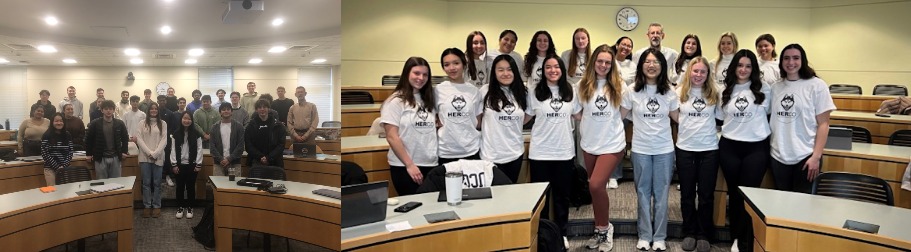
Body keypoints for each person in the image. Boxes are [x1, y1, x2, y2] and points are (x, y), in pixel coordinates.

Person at [622, 48, 679, 251]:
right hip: (640, 149)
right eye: (647, 61)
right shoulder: (631, 90)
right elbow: (619, 117)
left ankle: (660, 236)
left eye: (656, 61)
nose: (651, 65)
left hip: (664, 149)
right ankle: (645, 235)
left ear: (662, 66)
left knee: (662, 193)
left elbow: (678, 119)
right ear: (641, 65)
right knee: (643, 193)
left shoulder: (670, 92)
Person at [718, 49, 771, 252]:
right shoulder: (726, 89)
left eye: (748, 66)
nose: (743, 70)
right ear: (734, 67)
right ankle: (736, 239)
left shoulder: (764, 89)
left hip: (756, 148)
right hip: (730, 146)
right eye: (740, 65)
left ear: (754, 69)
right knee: (734, 194)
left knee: (750, 196)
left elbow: (768, 114)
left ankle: (747, 241)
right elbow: (721, 116)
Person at [576, 44, 628, 252]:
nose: (604, 65)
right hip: (589, 144)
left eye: (608, 62)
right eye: (600, 61)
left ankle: (606, 228)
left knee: (596, 186)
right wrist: (590, 122)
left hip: (612, 144)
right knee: (594, 188)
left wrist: (609, 125)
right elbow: (577, 112)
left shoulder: (619, 85)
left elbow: (624, 112)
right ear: (593, 62)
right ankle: (599, 229)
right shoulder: (582, 85)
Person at [526, 55, 580, 245]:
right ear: (543, 71)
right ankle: (541, 235)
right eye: (548, 67)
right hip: (540, 152)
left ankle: (561, 234)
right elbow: (524, 117)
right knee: (540, 198)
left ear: (562, 69)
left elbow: (580, 115)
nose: (552, 70)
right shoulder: (534, 91)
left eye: (556, 66)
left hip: (564, 151)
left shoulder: (571, 90)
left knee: (561, 197)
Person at [770, 44, 836, 194]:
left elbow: (824, 124)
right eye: (786, 58)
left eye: (795, 58)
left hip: (805, 157)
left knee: (801, 207)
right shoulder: (775, 87)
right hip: (778, 156)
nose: (790, 62)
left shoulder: (817, 85)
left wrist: (816, 157)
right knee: (781, 204)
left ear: (803, 60)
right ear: (781, 62)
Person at [674, 57, 721, 252]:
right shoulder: (679, 93)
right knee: (686, 194)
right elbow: (674, 115)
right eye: (695, 71)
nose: (699, 75)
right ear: (689, 72)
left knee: (705, 195)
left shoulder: (715, 93)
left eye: (703, 72)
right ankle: (689, 232)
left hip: (709, 149)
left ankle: (704, 233)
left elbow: (720, 119)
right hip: (685, 148)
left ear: (708, 74)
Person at [381, 57, 437, 196]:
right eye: (416, 73)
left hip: (430, 163)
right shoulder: (395, 101)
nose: (421, 78)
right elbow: (392, 137)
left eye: (425, 75)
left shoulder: (428, 99)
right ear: (407, 73)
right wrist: (410, 165)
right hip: (405, 166)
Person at [479, 55, 528, 184]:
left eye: (509, 69)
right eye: (500, 70)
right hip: (490, 155)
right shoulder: (484, 91)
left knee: (510, 194)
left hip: (515, 153)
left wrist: (511, 123)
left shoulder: (523, 92)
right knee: (492, 197)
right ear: (494, 72)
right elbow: (477, 118)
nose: (505, 73)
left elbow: (527, 116)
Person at [435, 48, 482, 165]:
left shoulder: (474, 91)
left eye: (456, 63)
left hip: (471, 150)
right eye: (447, 64)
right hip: (446, 152)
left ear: (464, 64)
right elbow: (434, 117)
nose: (452, 68)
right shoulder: (438, 90)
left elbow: (478, 121)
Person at [136, 102, 168, 218]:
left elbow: (164, 140)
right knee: (146, 183)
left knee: (157, 183)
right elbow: (139, 139)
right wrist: (149, 153)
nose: (153, 110)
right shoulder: (141, 123)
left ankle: (156, 205)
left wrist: (155, 154)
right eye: (152, 109)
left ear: (158, 110)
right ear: (148, 110)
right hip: (145, 157)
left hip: (158, 158)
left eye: (156, 108)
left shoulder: (163, 123)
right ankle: (147, 206)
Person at [85, 100, 130, 179]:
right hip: (100, 158)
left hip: (116, 157)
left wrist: (124, 151)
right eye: (106, 109)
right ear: (102, 110)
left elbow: (125, 138)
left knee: (116, 183)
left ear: (113, 110)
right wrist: (88, 154)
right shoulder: (95, 123)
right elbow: (88, 139)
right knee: (102, 183)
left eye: (110, 109)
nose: (108, 111)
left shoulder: (119, 123)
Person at [170, 111, 202, 219]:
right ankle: (180, 207)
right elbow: (173, 150)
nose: (186, 120)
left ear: (191, 121)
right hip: (179, 165)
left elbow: (199, 149)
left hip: (192, 165)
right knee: (179, 187)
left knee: (190, 187)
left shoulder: (196, 134)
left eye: (189, 119)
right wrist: (174, 165)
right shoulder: (176, 133)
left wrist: (198, 164)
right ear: (181, 119)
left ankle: (190, 207)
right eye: (184, 118)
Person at [245, 99, 287, 168]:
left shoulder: (278, 125)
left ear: (269, 109)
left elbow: (281, 145)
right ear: (256, 110)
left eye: (264, 107)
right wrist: (260, 157)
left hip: (274, 161)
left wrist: (268, 157)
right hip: (256, 161)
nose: (262, 109)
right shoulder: (250, 126)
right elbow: (248, 145)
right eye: (259, 107)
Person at [210, 103, 245, 178]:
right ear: (220, 112)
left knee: (234, 188)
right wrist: (221, 159)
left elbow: (240, 146)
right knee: (218, 187)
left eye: (228, 109)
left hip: (235, 162)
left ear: (231, 112)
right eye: (223, 110)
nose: (226, 111)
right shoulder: (214, 127)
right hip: (218, 163)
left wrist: (229, 159)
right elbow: (212, 147)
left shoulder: (239, 127)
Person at [40, 112, 73, 186]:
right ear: (52, 122)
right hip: (50, 169)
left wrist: (63, 166)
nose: (59, 123)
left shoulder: (68, 135)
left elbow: (70, 152)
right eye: (56, 121)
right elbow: (45, 153)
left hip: (65, 168)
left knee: (67, 191)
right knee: (53, 193)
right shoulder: (46, 135)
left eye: (61, 121)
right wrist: (57, 167)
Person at [157, 95, 179, 187]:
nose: (162, 102)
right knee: (156, 157)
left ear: (166, 101)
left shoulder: (170, 113)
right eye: (160, 100)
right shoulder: (154, 112)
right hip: (155, 140)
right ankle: (157, 177)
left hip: (166, 140)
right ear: (157, 101)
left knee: (166, 158)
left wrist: (165, 135)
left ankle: (167, 176)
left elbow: (173, 127)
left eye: (163, 100)